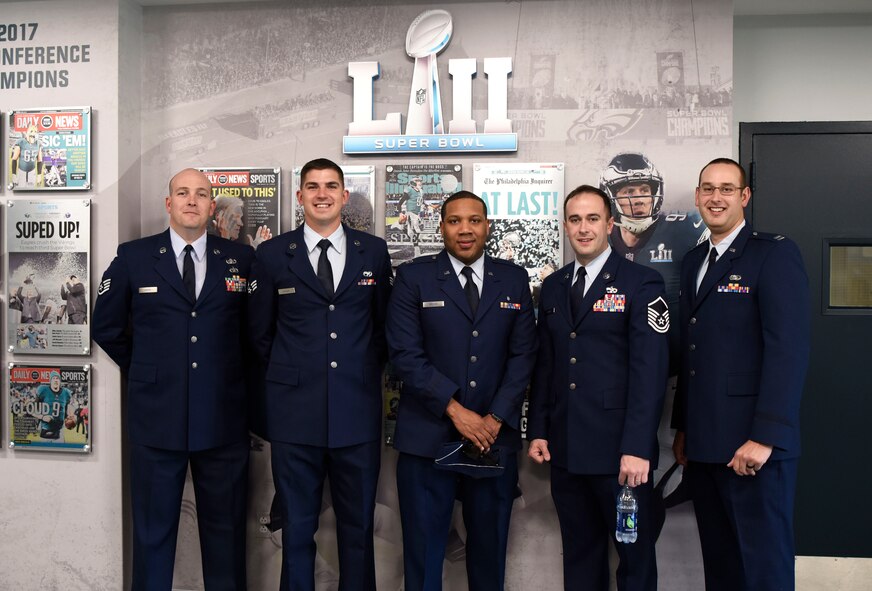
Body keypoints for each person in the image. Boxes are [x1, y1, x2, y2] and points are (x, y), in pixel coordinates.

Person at [92, 167, 253, 590]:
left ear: (211, 206)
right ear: (169, 203)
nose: (191, 201)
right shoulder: (134, 256)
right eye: (182, 193)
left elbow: (256, 335)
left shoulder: (240, 258)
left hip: (223, 421)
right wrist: (148, 369)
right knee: (152, 534)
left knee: (226, 537)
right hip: (156, 419)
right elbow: (105, 327)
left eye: (201, 194)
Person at [248, 158, 392, 591]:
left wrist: (359, 372)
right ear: (300, 197)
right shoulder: (273, 255)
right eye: (313, 186)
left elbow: (384, 330)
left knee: (357, 532)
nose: (322, 193)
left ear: (344, 195)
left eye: (331, 185)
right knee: (296, 531)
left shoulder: (374, 251)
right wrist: (298, 373)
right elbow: (259, 335)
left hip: (357, 413)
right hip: (294, 417)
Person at [386, 190, 537, 591]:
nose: (465, 229)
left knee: (489, 559)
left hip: (492, 440)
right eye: (455, 221)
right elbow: (404, 354)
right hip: (427, 439)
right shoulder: (413, 277)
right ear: (442, 228)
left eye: (474, 220)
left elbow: (524, 356)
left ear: (487, 226)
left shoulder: (514, 278)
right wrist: (456, 411)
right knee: (423, 559)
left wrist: (495, 416)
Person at [671, 158, 810, 591]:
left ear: (744, 197)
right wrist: (684, 428)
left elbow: (788, 351)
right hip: (706, 446)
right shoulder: (694, 260)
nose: (716, 198)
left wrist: (765, 436)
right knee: (723, 567)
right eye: (708, 189)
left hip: (754, 448)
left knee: (762, 568)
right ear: (697, 197)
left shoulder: (773, 254)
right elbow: (694, 352)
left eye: (727, 189)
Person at [527, 185, 669, 591]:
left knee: (634, 560)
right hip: (567, 450)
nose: (583, 228)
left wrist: (639, 448)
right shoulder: (554, 286)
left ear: (610, 224)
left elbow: (650, 371)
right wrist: (538, 428)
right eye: (575, 219)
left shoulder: (642, 282)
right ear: (565, 225)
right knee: (580, 557)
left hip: (621, 457)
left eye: (592, 219)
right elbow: (547, 364)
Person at [35, 371, 75, 441]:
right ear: (50, 381)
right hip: (45, 429)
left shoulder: (66, 393)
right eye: (53, 378)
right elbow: (33, 410)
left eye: (57, 378)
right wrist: (42, 417)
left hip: (59, 430)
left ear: (60, 381)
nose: (56, 380)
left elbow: (65, 411)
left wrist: (70, 417)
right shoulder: (43, 390)